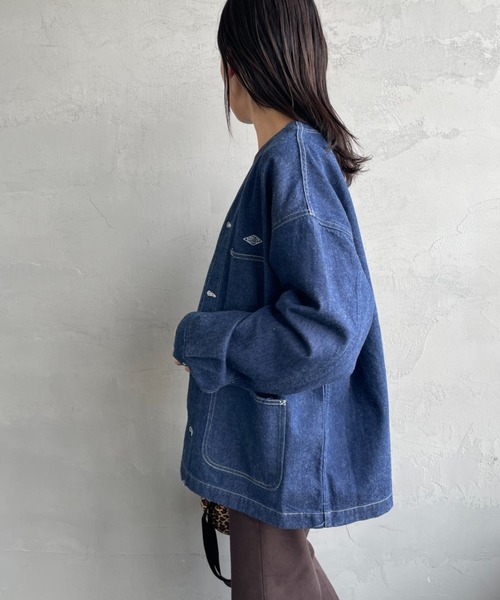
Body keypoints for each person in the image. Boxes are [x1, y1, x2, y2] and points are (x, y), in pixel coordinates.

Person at [173, 0, 393, 598]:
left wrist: (203, 339)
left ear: (239, 66)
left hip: (271, 455)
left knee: (275, 585)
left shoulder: (293, 162)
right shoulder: (290, 161)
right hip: (269, 450)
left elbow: (328, 329)